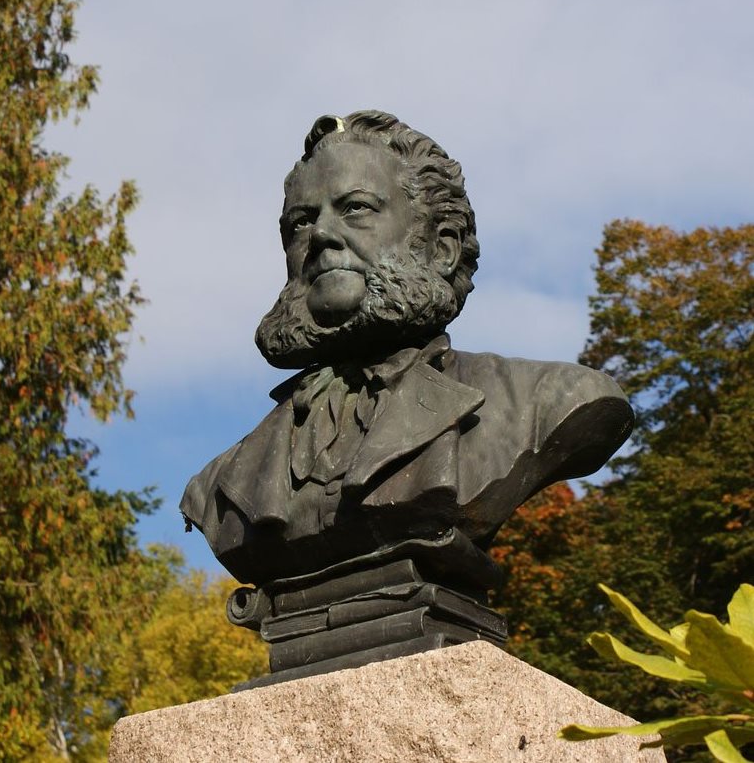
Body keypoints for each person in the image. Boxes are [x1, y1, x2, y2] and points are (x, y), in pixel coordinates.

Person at [180, 111, 633, 587]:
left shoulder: (550, 401)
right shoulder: (220, 484)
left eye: (355, 208)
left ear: (442, 248)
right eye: (300, 222)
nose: (320, 236)